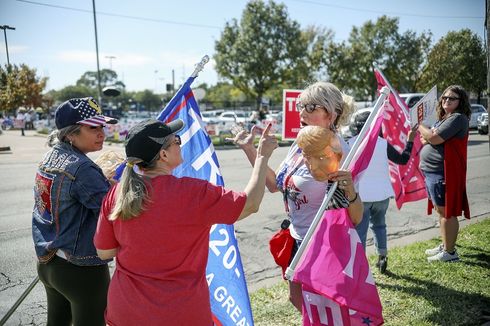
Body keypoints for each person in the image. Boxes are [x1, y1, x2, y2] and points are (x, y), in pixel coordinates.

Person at [93, 119, 278, 325]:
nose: (180, 145)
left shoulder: (116, 193)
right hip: (180, 313)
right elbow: (250, 203)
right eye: (176, 141)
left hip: (126, 310)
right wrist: (262, 156)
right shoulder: (193, 193)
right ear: (163, 155)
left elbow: (105, 252)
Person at [230, 81, 363, 311]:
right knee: (298, 300)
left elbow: (355, 217)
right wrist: (251, 150)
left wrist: (349, 190)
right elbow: (275, 185)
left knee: (322, 307)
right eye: (301, 105)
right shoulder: (301, 142)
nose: (300, 112)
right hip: (296, 236)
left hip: (322, 245)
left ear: (331, 114)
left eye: (310, 107)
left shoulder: (339, 152)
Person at [32, 97, 117, 326]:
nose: (102, 133)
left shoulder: (50, 156)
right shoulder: (82, 168)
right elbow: (113, 212)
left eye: (102, 126)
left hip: (48, 263)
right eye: (93, 128)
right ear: (71, 133)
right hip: (81, 271)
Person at [348, 111, 417, 273]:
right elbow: (403, 159)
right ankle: (382, 256)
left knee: (360, 233)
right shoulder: (382, 143)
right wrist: (410, 140)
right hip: (382, 196)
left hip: (360, 197)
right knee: (380, 226)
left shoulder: (350, 144)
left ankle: (360, 269)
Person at [418, 85, 471, 262]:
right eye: (445, 98)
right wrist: (429, 135)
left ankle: (450, 253)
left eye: (452, 98)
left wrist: (420, 126)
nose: (446, 100)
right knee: (440, 211)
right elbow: (429, 138)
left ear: (460, 101)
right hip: (432, 171)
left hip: (444, 172)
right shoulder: (445, 118)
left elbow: (432, 138)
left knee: (447, 212)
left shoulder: (457, 118)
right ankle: (445, 245)